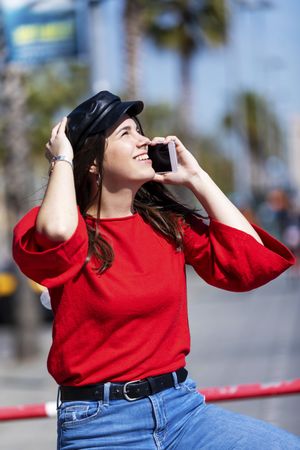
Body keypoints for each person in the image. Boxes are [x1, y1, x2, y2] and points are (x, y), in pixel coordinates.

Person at [12, 91, 300, 450]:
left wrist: (197, 177)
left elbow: (252, 263)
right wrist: (62, 159)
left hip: (183, 413)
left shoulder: (168, 225)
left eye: (140, 131)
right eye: (126, 133)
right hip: (100, 425)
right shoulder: (60, 230)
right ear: (92, 162)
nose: (144, 140)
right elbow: (56, 233)